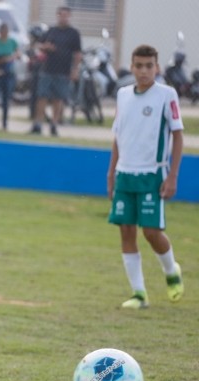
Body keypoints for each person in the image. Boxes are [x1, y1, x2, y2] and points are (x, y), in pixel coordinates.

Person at [107, 44, 184, 309]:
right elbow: (118, 134)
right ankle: (139, 294)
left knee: (151, 232)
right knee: (126, 231)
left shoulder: (167, 95)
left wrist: (172, 175)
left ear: (157, 68)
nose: (143, 71)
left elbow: (177, 134)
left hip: (152, 174)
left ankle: (171, 270)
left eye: (149, 66)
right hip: (125, 174)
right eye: (138, 65)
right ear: (132, 66)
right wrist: (111, 171)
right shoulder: (123, 95)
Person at [30, 6, 81, 136]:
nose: (63, 18)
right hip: (47, 69)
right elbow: (38, 45)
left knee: (58, 98)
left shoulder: (73, 33)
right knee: (42, 96)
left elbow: (77, 53)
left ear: (69, 17)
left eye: (66, 15)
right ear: (57, 16)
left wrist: (75, 70)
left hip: (63, 70)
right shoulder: (51, 31)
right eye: (61, 15)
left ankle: (54, 124)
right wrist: (45, 47)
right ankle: (38, 124)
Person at [0, 23, 20, 131]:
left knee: (6, 99)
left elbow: (18, 54)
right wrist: (2, 60)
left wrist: (11, 58)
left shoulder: (12, 42)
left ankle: (4, 122)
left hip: (8, 72)